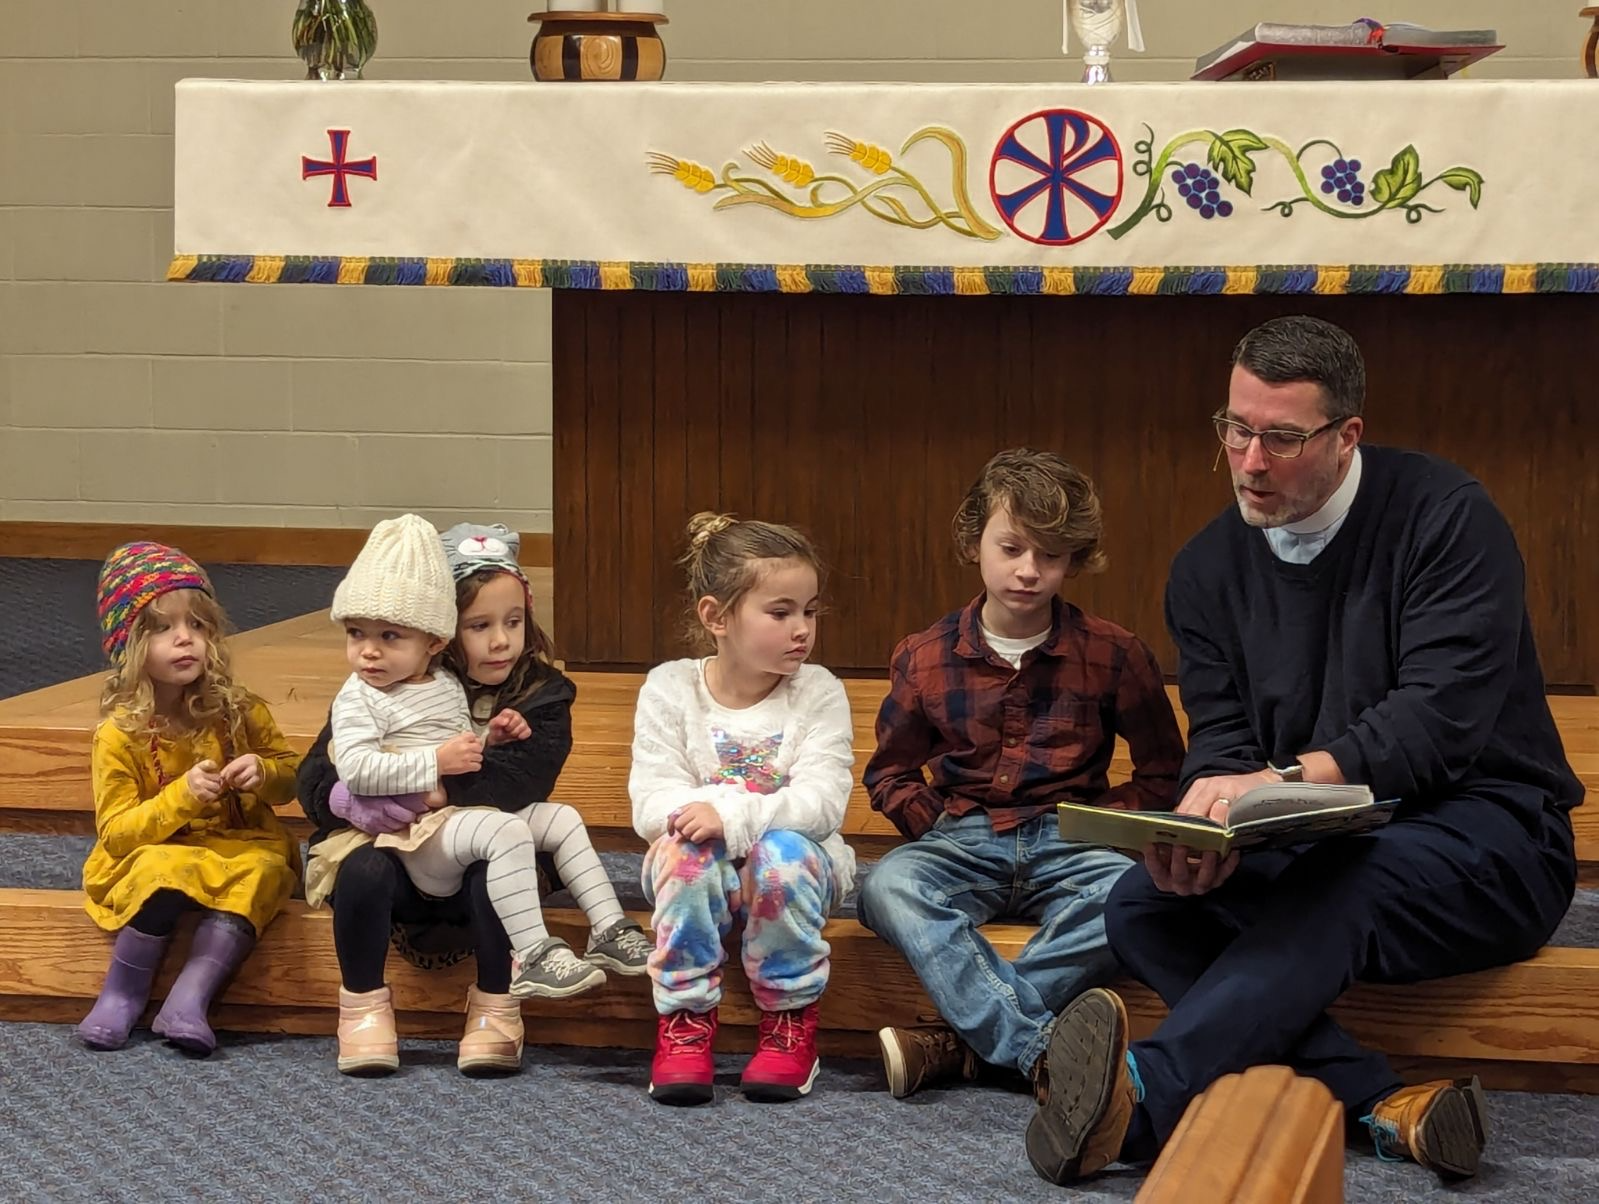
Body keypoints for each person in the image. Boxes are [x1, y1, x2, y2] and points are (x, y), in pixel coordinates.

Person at [1025, 315, 1582, 1186]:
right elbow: (1221, 738)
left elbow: (1435, 720)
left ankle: (1143, 1095)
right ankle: (1383, 1104)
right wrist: (1205, 826)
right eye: (1235, 429)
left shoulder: (1445, 518)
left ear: (1345, 434)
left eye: (1280, 439)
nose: (1249, 461)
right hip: (1316, 839)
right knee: (1142, 906)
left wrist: (1279, 781)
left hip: (1494, 840)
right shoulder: (1205, 568)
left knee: (1342, 879)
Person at [857, 448, 1184, 1100]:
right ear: (974, 538)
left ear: (1073, 560)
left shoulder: (1114, 653)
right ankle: (1038, 1050)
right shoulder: (923, 656)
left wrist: (1103, 826)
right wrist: (936, 823)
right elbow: (890, 773)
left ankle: (961, 1047)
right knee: (885, 887)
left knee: (1143, 894)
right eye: (1010, 548)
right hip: (961, 840)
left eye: (1050, 556)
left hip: (1070, 841)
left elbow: (1163, 773)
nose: (1028, 572)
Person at [299, 520, 648, 1075]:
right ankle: (371, 1007)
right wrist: (346, 797)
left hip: (474, 848)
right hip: (415, 845)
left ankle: (598, 938)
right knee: (366, 869)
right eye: (479, 625)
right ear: (444, 632)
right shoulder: (383, 681)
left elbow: (514, 781)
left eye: (513, 622)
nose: (500, 640)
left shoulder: (532, 690)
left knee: (553, 822)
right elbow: (321, 769)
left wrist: (485, 745)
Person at [629, 512, 856, 1105]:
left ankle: (789, 1018)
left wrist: (731, 818)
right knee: (686, 854)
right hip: (703, 871)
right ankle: (684, 1022)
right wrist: (714, 827)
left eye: (810, 611)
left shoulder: (819, 691)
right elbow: (652, 801)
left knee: (779, 855)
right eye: (780, 613)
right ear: (716, 617)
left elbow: (823, 804)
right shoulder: (670, 688)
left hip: (799, 868)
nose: (801, 629)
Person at [76, 541, 300, 1055]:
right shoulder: (118, 735)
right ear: (129, 645)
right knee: (160, 870)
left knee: (265, 871)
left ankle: (189, 998)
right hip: (156, 851)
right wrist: (181, 796)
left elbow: (292, 778)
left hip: (238, 845)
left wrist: (263, 772)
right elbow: (117, 835)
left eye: (197, 626)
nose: (186, 640)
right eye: (163, 628)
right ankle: (123, 994)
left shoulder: (238, 709)